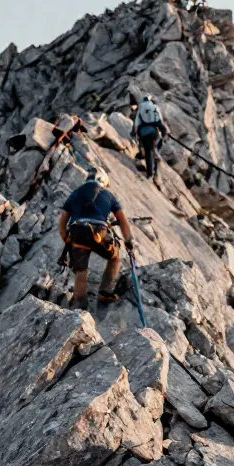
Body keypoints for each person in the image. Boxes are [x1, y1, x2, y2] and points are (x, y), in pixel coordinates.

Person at [57, 168, 134, 310]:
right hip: (98, 232)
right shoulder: (108, 194)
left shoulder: (76, 193)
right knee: (115, 257)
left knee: (81, 271)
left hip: (77, 231)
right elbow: (123, 220)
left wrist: (66, 238)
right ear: (103, 181)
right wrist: (129, 242)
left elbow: (62, 218)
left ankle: (81, 306)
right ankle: (105, 291)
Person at [132, 95, 168, 178]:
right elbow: (160, 122)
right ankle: (155, 167)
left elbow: (136, 123)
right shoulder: (155, 108)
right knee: (154, 148)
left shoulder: (141, 108)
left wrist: (134, 133)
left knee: (148, 153)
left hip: (144, 134)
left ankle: (149, 174)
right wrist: (164, 133)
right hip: (155, 133)